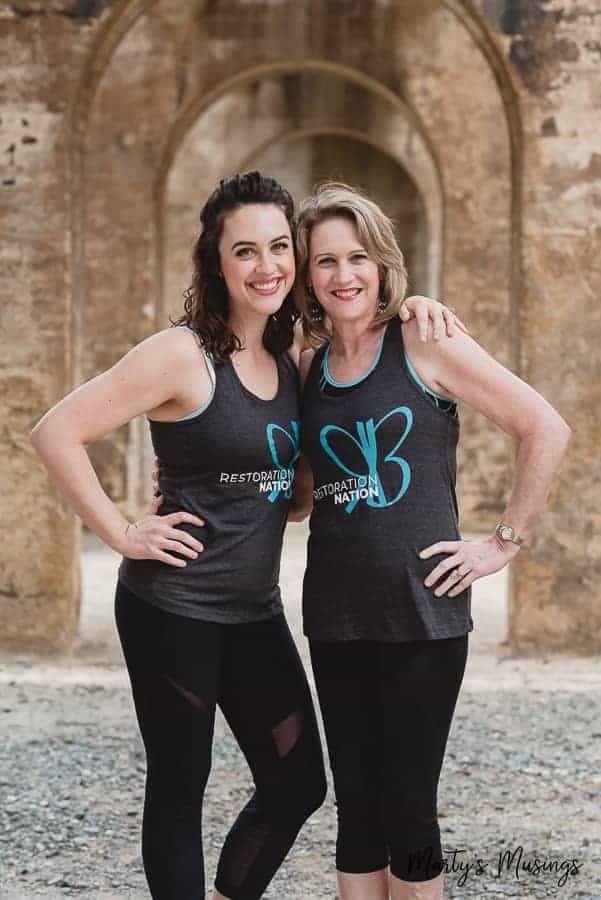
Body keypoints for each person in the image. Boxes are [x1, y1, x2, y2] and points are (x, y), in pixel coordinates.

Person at [30, 170, 458, 900]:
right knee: (179, 785)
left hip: (253, 612)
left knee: (297, 785)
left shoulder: (292, 360)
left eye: (278, 247)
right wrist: (122, 532)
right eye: (245, 252)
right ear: (216, 263)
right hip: (173, 609)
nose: (267, 266)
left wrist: (412, 305)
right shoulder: (178, 354)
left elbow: (288, 495)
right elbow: (56, 431)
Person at [291, 182, 571, 900]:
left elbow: (543, 425)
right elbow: (296, 498)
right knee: (354, 809)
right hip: (334, 613)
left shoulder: (424, 339)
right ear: (305, 274)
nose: (343, 275)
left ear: (382, 264)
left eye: (357, 257)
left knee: (408, 812)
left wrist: (501, 542)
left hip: (424, 614)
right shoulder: (305, 368)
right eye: (324, 261)